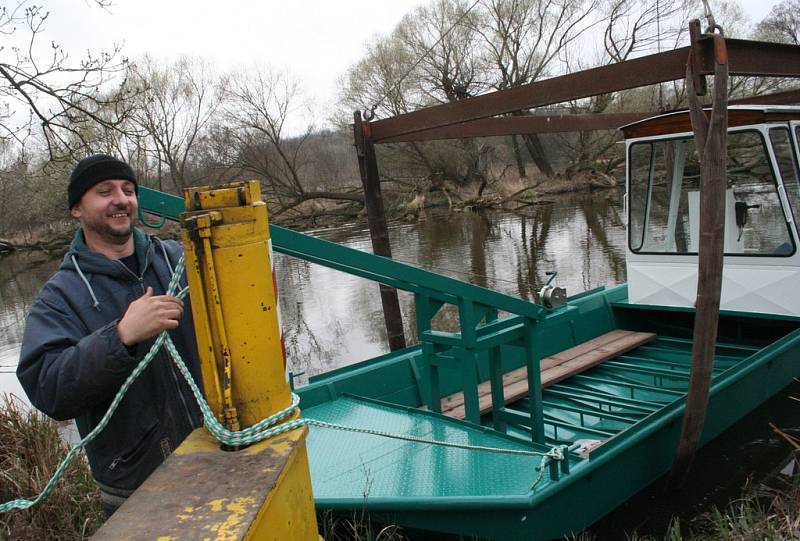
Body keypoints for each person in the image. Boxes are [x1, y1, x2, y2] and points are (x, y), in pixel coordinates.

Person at [17, 154, 204, 516]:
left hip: (216, 455)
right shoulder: (60, 296)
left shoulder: (179, 259)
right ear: (77, 209)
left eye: (128, 190)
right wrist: (120, 337)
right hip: (139, 490)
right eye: (105, 191)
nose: (121, 199)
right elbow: (47, 387)